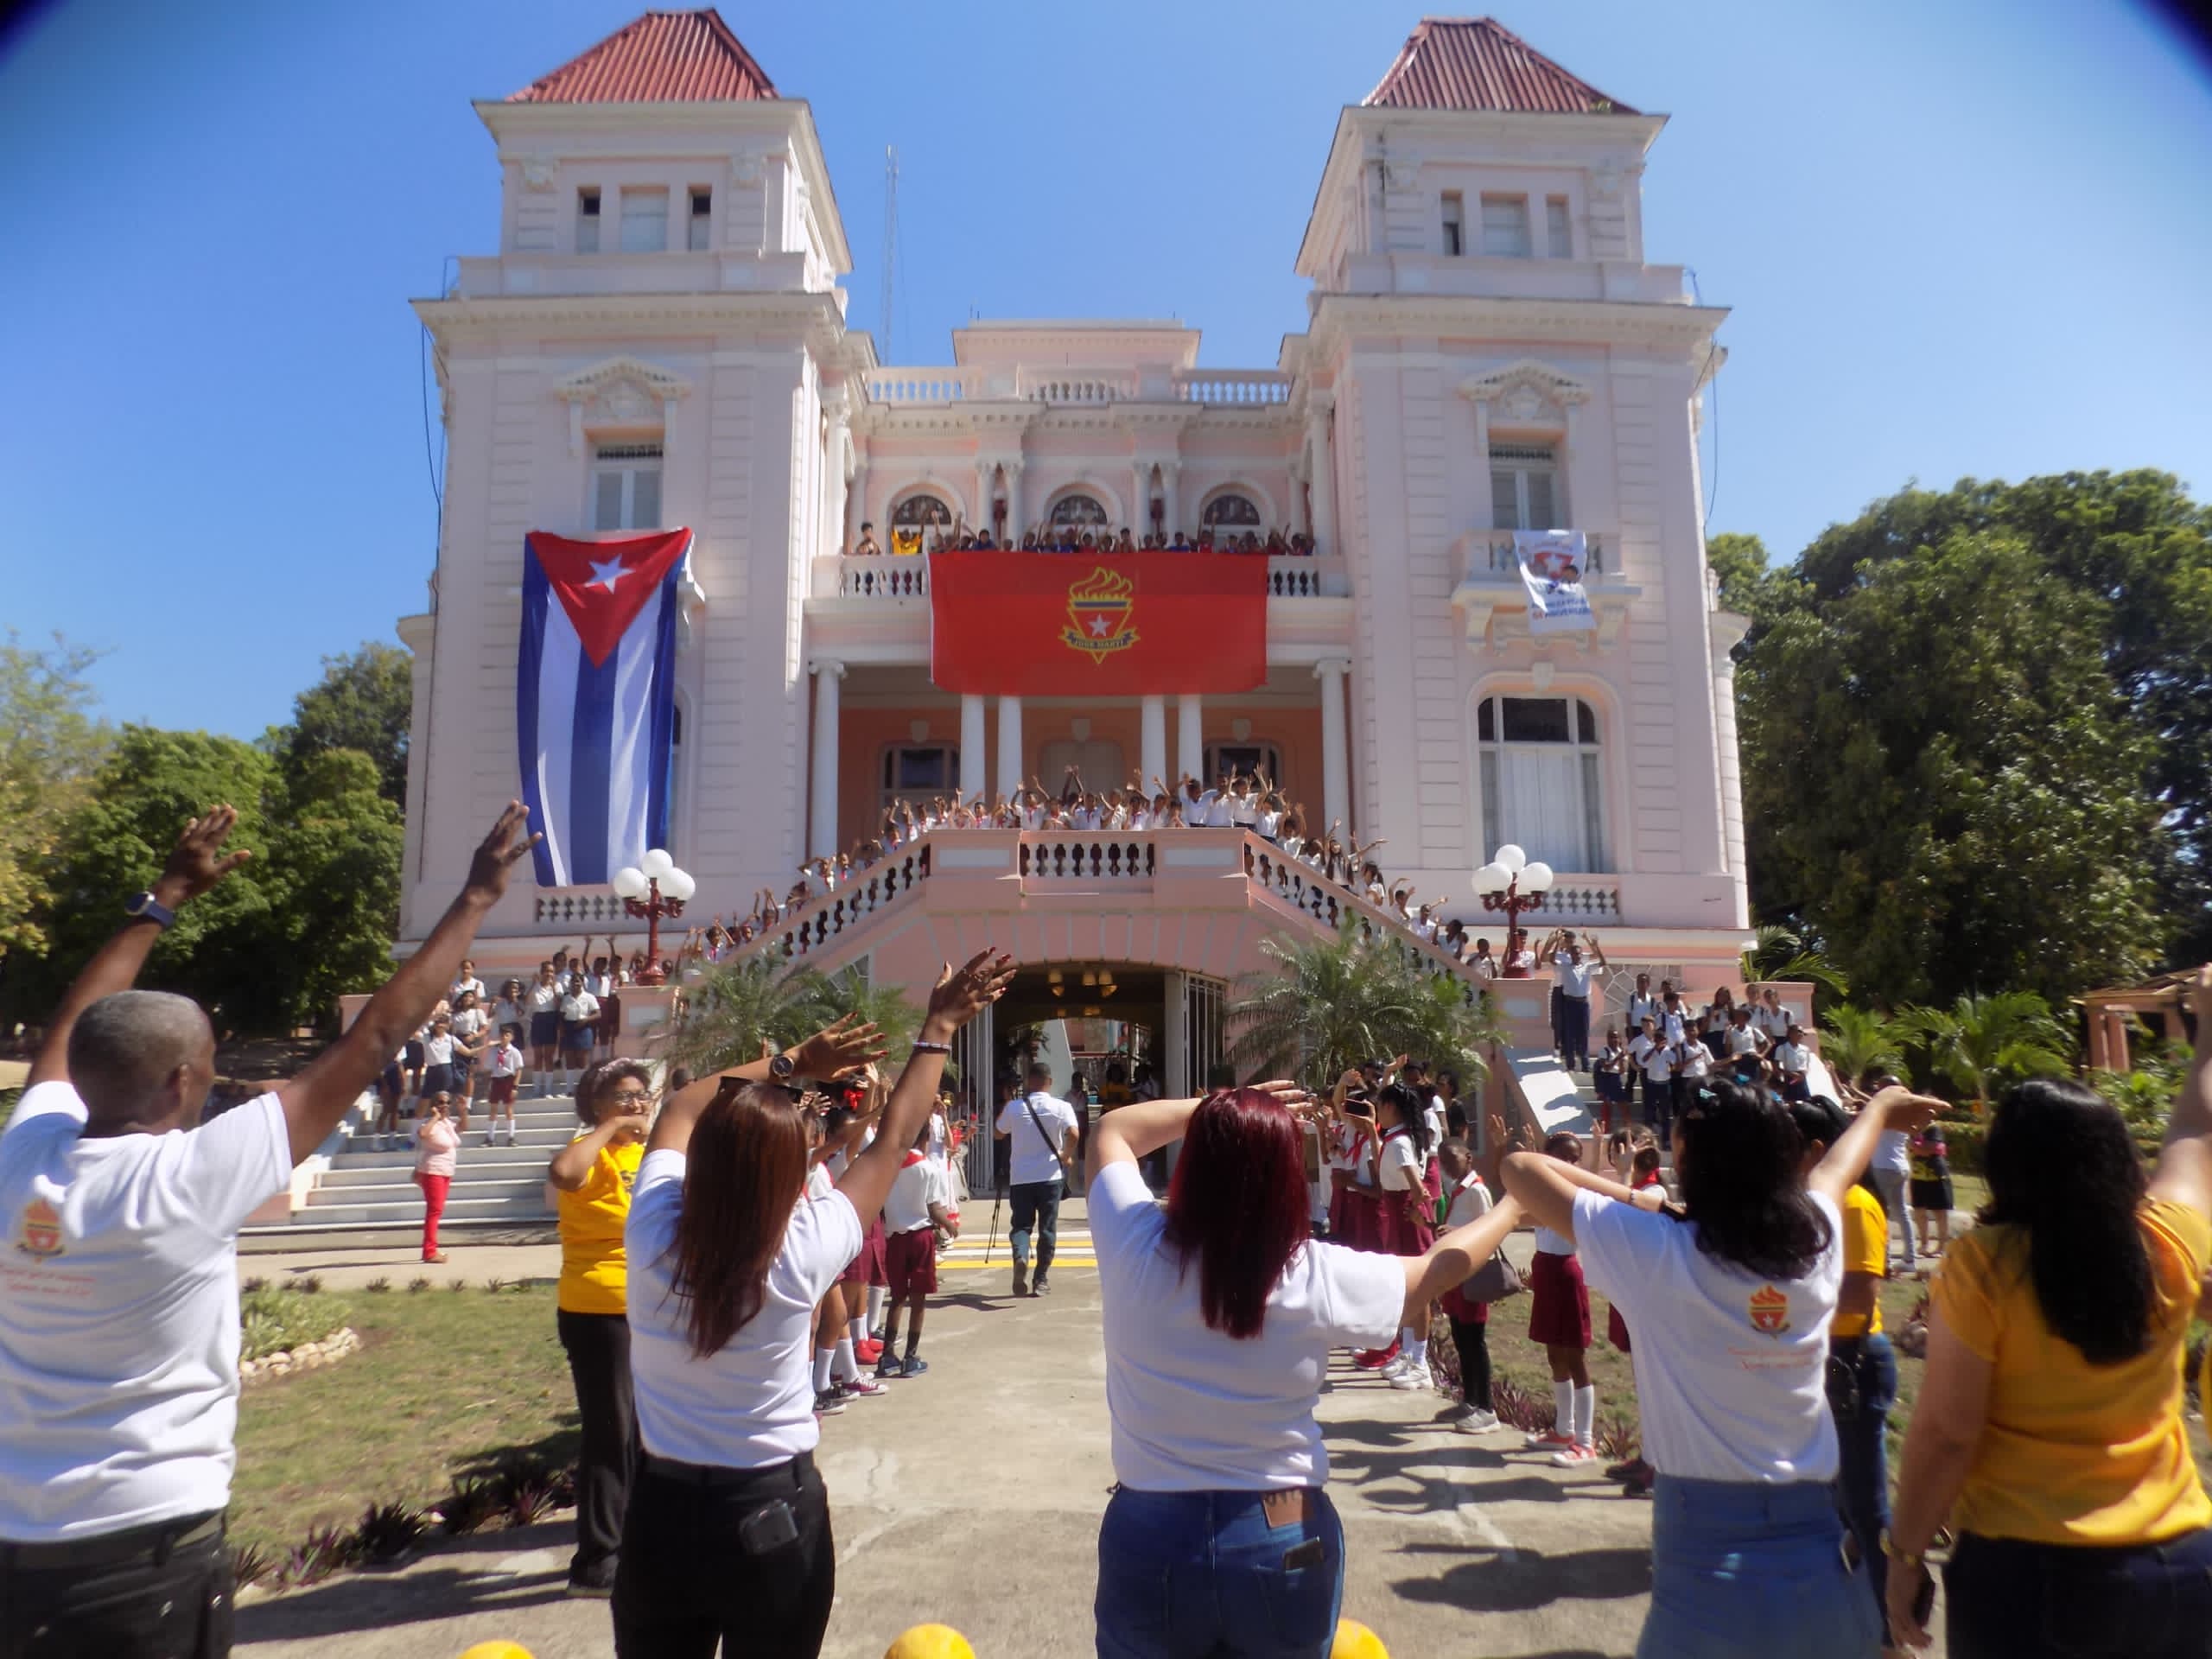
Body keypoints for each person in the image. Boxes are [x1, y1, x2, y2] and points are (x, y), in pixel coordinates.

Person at [0, 803, 535, 1658]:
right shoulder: (188, 1180)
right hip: (146, 1555)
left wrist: (163, 897)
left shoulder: (20, 1160)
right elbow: (379, 1036)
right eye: (211, 1069)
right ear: (182, 1083)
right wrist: (475, 898)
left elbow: (71, 1029)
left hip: (18, 1547)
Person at [613, 952, 1012, 1656]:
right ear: (787, 1170)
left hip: (661, 1513)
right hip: (770, 1511)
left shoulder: (651, 1234)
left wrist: (793, 1063)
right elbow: (892, 1138)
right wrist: (940, 1024)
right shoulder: (801, 1248)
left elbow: (678, 1107)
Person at [1502, 1077, 1943, 1658]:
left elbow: (1519, 1168)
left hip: (1703, 1570)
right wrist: (1883, 1107)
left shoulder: (1656, 1248)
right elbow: (1837, 1168)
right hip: (1820, 1561)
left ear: (1686, 1160)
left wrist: (1649, 1202)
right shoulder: (1816, 1236)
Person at [1084, 1081, 1526, 1659]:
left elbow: (1113, 1129)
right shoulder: (1312, 1271)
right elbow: (1435, 1271)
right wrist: (1517, 1204)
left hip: (1151, 1525)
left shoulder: (1132, 1241)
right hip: (1281, 1521)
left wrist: (1220, 1111)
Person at [1885, 965, 2212, 1657]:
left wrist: (1905, 1554)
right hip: (2182, 1567)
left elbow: (1947, 1435)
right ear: (2121, 1157)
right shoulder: (2171, 1241)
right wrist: (2209, 1026)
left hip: (2031, 1579)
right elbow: (2195, 1127)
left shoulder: (1985, 1263)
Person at [1790, 1096, 1897, 1641]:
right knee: (1845, 1503)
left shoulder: (1852, 1204)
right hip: (1834, 1360)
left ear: (1814, 1149)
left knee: (1867, 1506)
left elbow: (1859, 1291)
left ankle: (1891, 1633)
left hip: (1853, 1361)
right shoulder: (1821, 1202)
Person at [547, 1059, 656, 1598]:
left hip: (650, 1310)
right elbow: (565, 1175)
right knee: (610, 1432)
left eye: (642, 1094)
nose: (637, 1103)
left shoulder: (651, 1153)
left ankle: (635, 1543)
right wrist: (609, 1128)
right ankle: (596, 1563)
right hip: (598, 1310)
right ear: (595, 1103)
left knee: (643, 1431)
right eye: (623, 1095)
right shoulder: (588, 1149)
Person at [1522, 1131, 1599, 1465]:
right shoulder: (1539, 1189)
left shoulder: (1576, 1194)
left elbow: (1592, 1187)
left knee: (1574, 1357)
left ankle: (1585, 1441)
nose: (1568, 1164)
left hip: (1566, 1273)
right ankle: (1563, 1430)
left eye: (1574, 1159)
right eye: (1561, 1157)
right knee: (1554, 1354)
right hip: (1545, 1270)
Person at [878, 1120, 958, 1379]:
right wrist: (950, 1225)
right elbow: (935, 1208)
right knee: (919, 1299)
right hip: (921, 1237)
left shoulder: (888, 1169)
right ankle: (910, 1357)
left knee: (897, 1297)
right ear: (925, 1138)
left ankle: (887, 1355)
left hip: (895, 1239)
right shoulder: (927, 1169)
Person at [1436, 1138, 1504, 1434]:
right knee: (1461, 1337)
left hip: (1473, 1274)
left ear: (1468, 1158)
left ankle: (1487, 1409)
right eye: (1443, 1161)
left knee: (1475, 1341)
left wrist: (1457, 1231)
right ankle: (1470, 1398)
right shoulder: (1457, 1190)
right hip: (1456, 1276)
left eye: (1453, 1160)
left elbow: (1491, 1229)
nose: (1447, 1166)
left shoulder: (1477, 1191)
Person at [995, 1062, 1080, 1298]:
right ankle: (1040, 1279)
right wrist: (1066, 1156)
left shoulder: (1014, 1107)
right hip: (1050, 1177)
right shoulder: (1061, 1107)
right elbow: (1073, 1133)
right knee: (1047, 1228)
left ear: (1028, 1082)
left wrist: (1007, 1103)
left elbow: (998, 1133)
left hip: (1021, 1178)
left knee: (1021, 1225)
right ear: (1049, 1082)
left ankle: (1021, 1255)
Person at [413, 1090, 460, 1262]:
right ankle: (430, 1252)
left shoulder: (447, 1124)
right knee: (434, 1211)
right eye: (440, 1102)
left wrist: (462, 1110)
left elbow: (463, 1128)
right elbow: (423, 1134)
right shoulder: (430, 1124)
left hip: (446, 1171)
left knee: (436, 1211)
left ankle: (431, 1250)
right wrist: (435, 1116)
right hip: (433, 1171)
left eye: (447, 1103)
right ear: (434, 1105)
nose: (444, 1105)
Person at [1908, 1122, 1954, 1258]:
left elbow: (1929, 1149)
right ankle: (1923, 1245)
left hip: (1936, 1176)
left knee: (1940, 1214)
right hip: (1917, 1176)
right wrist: (1917, 1146)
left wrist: (1913, 1145)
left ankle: (1941, 1248)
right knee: (1919, 1212)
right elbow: (1919, 1149)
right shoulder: (1912, 1127)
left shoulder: (1933, 1128)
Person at [558, 971, 601, 1094]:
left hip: (584, 1028)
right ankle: (569, 1090)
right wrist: (561, 1030)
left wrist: (586, 1020)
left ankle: (584, 1089)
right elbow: (561, 1015)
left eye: (578, 981)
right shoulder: (566, 998)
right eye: (574, 981)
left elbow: (598, 1014)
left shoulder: (589, 997)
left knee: (582, 1060)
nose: (576, 984)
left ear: (582, 983)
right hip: (569, 1028)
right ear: (570, 983)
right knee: (570, 1060)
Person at [484, 1027, 525, 1145]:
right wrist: (489, 1084)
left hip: (508, 1080)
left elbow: (519, 1069)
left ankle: (511, 1137)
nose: (504, 1037)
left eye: (507, 1035)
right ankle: (490, 1138)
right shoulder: (494, 1051)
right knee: (493, 1110)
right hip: (496, 1080)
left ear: (511, 1037)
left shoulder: (514, 1052)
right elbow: (489, 1068)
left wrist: (515, 1086)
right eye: (502, 1035)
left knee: (509, 1110)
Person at [526, 962, 563, 1094]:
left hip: (551, 1019)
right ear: (542, 972)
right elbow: (527, 1001)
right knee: (538, 1056)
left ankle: (548, 1090)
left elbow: (559, 1005)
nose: (549, 974)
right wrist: (533, 984)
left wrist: (553, 988)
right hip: (538, 1020)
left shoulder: (557, 986)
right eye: (547, 971)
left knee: (548, 1056)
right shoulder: (535, 986)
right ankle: (536, 1089)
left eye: (552, 971)